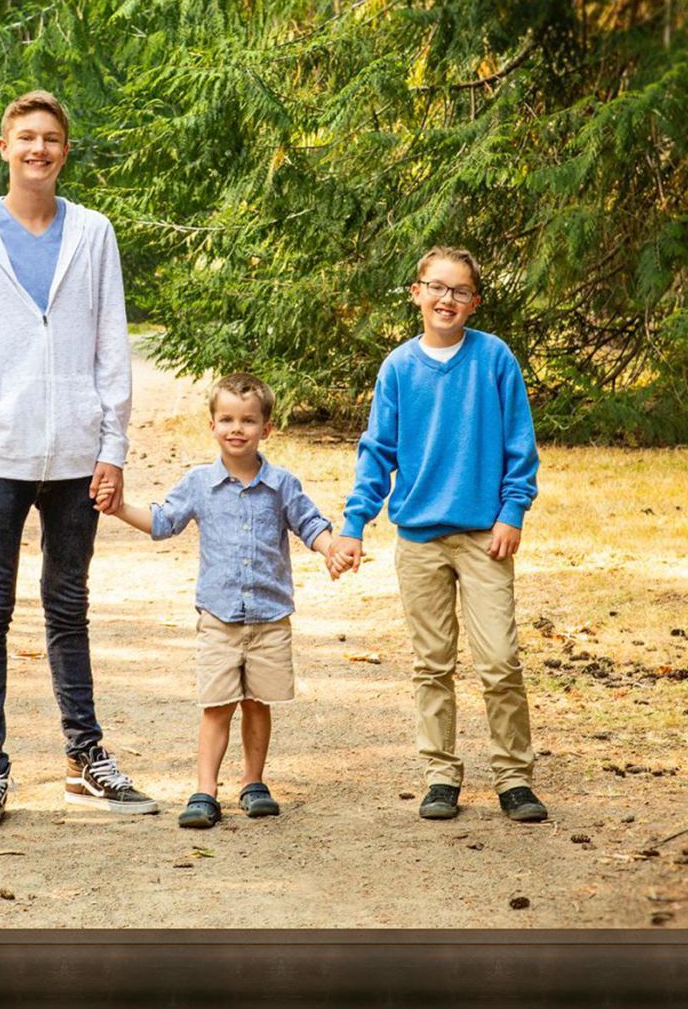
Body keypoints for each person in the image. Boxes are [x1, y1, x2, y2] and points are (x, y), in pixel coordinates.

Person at [0, 89, 156, 830]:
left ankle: (84, 756)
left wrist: (112, 448)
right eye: (25, 137)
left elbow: (111, 346)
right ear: (3, 147)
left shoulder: (93, 233)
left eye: (51, 139)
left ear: (65, 151)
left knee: (68, 605)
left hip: (74, 454)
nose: (38, 149)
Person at [329, 246, 548, 823]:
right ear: (416, 293)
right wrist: (353, 526)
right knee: (432, 664)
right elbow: (377, 452)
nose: (446, 299)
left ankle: (513, 778)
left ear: (474, 302)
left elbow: (519, 447)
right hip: (420, 540)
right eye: (437, 287)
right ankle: (441, 774)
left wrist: (512, 511)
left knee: (499, 660)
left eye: (459, 291)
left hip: (483, 536)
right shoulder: (399, 368)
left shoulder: (494, 359)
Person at [110, 372, 336, 828]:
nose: (237, 429)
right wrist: (117, 508)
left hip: (270, 618)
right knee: (217, 706)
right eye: (227, 419)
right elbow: (162, 522)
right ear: (212, 425)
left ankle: (253, 783)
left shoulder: (282, 484)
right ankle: (204, 791)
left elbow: (309, 524)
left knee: (258, 702)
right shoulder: (199, 483)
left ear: (266, 429)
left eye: (248, 421)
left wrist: (332, 548)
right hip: (219, 618)